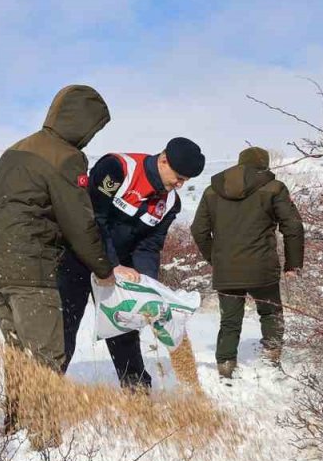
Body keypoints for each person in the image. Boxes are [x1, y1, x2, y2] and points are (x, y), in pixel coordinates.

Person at [0, 85, 118, 428]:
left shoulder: (18, 148)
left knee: (17, 350)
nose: (92, 136)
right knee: (46, 357)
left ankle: (14, 422)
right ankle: (43, 440)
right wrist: (103, 267)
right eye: (95, 128)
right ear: (84, 122)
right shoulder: (66, 156)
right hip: (30, 266)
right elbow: (79, 222)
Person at [58, 137, 206, 389]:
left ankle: (137, 390)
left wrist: (146, 286)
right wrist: (110, 264)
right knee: (65, 326)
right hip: (80, 257)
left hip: (121, 270)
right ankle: (44, 386)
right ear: (163, 160)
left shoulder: (171, 203)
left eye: (186, 181)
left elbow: (148, 245)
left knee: (124, 329)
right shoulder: (117, 169)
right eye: (178, 176)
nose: (179, 184)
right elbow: (93, 219)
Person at [191, 145, 304, 379]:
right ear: (264, 164)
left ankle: (225, 365)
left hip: (227, 269)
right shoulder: (273, 187)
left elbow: (199, 230)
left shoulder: (212, 190)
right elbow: (292, 226)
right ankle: (271, 356)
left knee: (230, 319)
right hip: (262, 266)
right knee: (270, 313)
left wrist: (215, 258)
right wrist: (293, 264)